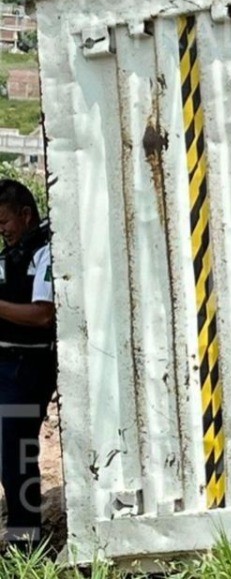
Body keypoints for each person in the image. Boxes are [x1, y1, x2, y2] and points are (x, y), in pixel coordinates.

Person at [0, 180, 54, 544]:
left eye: (4, 221)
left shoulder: (45, 254)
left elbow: (42, 316)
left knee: (16, 456)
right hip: (8, 367)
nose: (1, 230)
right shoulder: (13, 256)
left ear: (25, 215)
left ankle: (26, 540)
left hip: (28, 368)